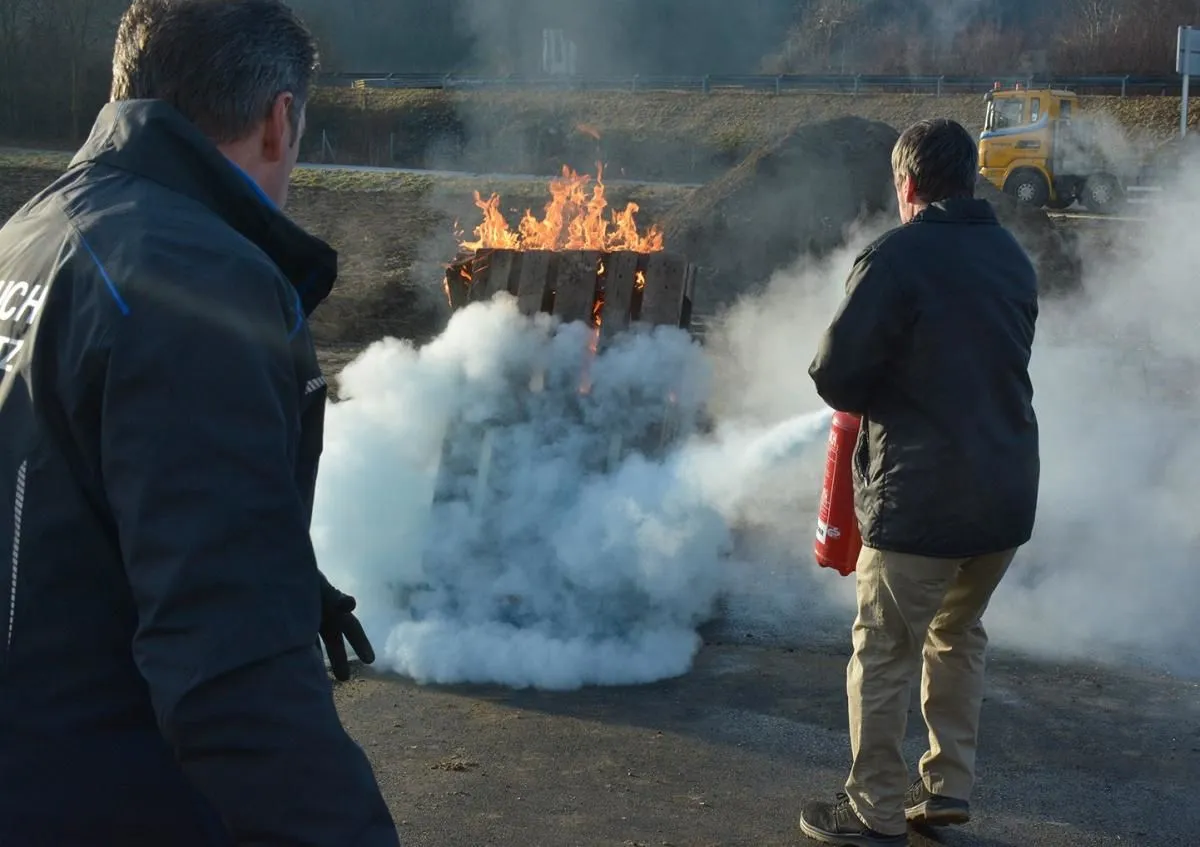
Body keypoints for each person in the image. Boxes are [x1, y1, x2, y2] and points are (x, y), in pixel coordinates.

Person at [0, 1, 401, 844]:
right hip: (105, 795)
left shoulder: (29, 235)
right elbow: (232, 679)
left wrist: (276, 562)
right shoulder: (195, 282)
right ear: (279, 120)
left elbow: (67, 480)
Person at [799, 118, 1040, 846]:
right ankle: (944, 791)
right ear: (969, 179)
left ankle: (872, 808)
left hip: (921, 500)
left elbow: (835, 372)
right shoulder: (1011, 256)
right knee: (957, 634)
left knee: (884, 648)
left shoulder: (895, 257)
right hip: (1003, 497)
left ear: (907, 183)